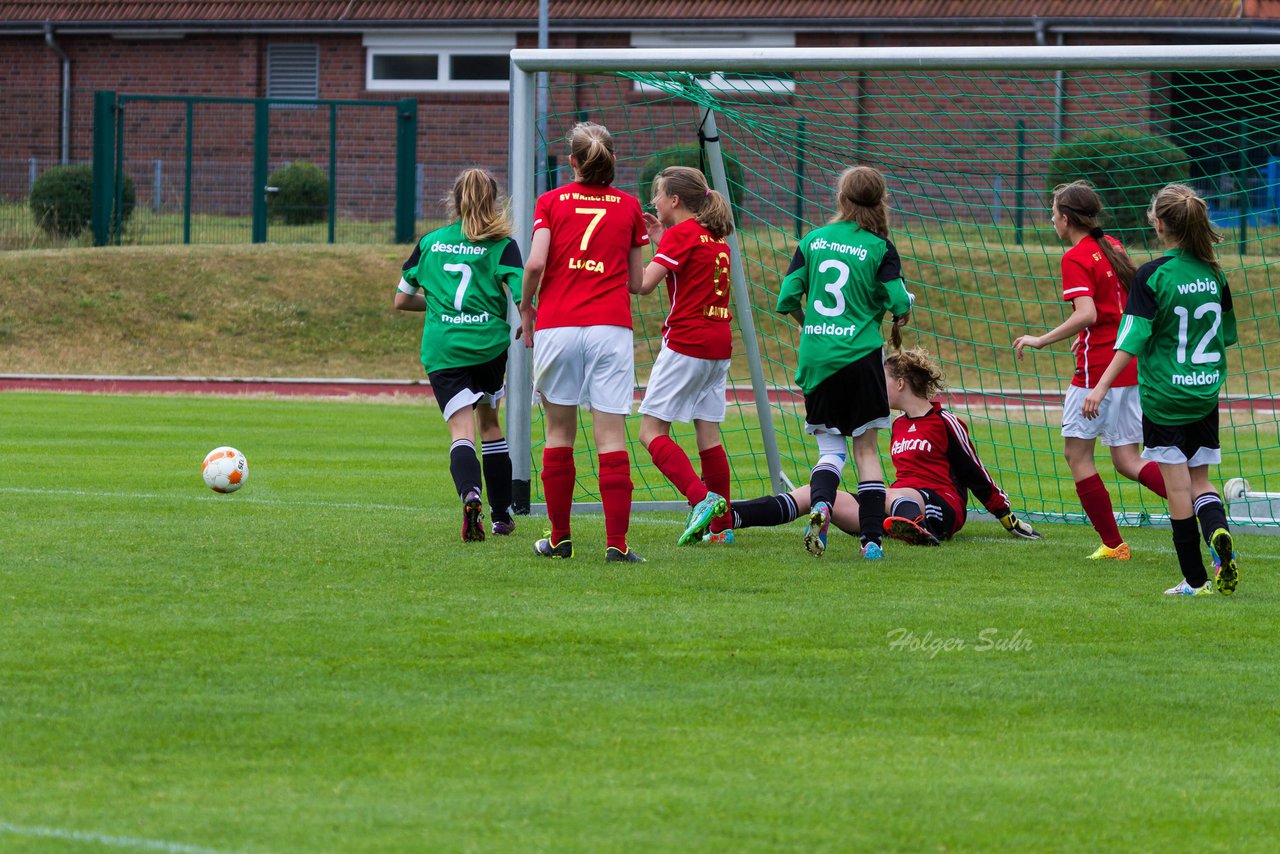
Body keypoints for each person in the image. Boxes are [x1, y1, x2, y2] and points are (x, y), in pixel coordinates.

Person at [1083, 184, 1239, 596]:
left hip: (1165, 398)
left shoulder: (1152, 275)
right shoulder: (1214, 273)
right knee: (1202, 481)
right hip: (1205, 393)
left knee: (1177, 489)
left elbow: (1132, 338)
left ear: (1159, 223)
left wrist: (1099, 387)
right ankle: (1219, 537)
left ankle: (1195, 580)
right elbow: (1226, 335)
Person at [730, 349, 1043, 545]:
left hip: (940, 507)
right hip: (894, 506)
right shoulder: (897, 425)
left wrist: (1007, 518)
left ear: (901, 383)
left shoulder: (945, 421)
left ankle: (918, 530)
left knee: (890, 493)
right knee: (811, 492)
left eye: (881, 381)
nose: (875, 388)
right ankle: (730, 516)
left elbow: (976, 473)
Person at [1013, 181, 1168, 561]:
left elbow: (1089, 313)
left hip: (1097, 371)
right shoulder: (1112, 245)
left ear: (1066, 219)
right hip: (1127, 365)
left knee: (1077, 456)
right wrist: (1086, 333)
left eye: (1053, 213)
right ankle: (1201, 501)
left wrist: (1040, 339)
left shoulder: (1076, 257)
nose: (1051, 220)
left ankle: (1114, 545)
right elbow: (1114, 308)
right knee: (1127, 459)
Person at [518, 122, 649, 563]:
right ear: (612, 160)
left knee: (559, 432)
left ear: (571, 162)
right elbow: (636, 283)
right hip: (610, 328)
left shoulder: (550, 201)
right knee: (611, 436)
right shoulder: (630, 207)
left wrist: (525, 307)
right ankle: (616, 544)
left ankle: (559, 539)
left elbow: (535, 262)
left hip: (558, 325)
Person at [776, 165, 913, 560]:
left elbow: (786, 299)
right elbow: (900, 303)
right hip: (861, 358)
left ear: (840, 199)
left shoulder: (813, 240)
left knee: (830, 452)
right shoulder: (880, 246)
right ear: (882, 200)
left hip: (817, 357)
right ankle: (871, 541)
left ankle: (821, 505)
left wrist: (811, 327)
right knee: (866, 452)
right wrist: (895, 312)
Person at [395, 168, 522, 542]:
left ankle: (470, 493)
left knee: (461, 431)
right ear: (494, 201)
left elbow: (401, 299)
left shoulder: (430, 242)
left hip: (444, 348)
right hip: (488, 347)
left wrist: (437, 306)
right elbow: (520, 295)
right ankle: (501, 517)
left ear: (454, 200)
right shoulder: (503, 244)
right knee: (490, 425)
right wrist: (526, 320)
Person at [632, 166, 737, 545]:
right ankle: (722, 530)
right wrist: (662, 240)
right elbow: (687, 274)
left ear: (674, 200)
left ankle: (701, 499)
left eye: (657, 195)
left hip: (687, 343)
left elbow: (642, 285)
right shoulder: (713, 236)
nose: (653, 202)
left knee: (650, 431)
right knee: (708, 433)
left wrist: (633, 247)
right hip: (718, 345)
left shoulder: (683, 235)